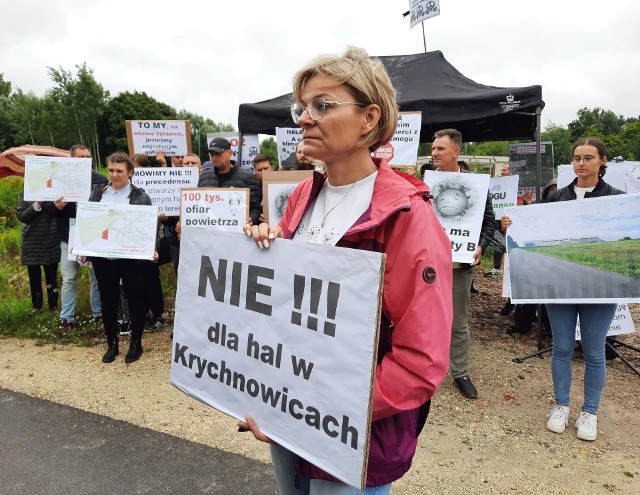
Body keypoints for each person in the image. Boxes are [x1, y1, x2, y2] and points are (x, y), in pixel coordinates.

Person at [242, 46, 452, 494]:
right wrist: (262, 250)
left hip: (354, 433)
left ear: (369, 118)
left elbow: (421, 361)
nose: (303, 118)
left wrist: (315, 406)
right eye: (302, 107)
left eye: (322, 105)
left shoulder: (408, 217)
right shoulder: (301, 197)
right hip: (290, 415)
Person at [502, 137, 623, 441]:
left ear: (602, 161)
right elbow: (533, 227)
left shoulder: (617, 198)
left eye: (589, 157)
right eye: (577, 157)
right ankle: (561, 405)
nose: (581, 163)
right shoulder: (555, 198)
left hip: (599, 287)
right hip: (560, 285)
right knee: (562, 347)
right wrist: (512, 224)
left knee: (595, 351)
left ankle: (590, 412)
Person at [431, 128, 495, 399]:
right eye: (433, 148)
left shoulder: (476, 186)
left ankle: (460, 372)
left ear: (456, 152)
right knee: (426, 320)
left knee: (458, 323)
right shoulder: (425, 183)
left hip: (459, 268)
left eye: (440, 149)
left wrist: (481, 245)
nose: (434, 153)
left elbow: (489, 222)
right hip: (430, 268)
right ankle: (426, 369)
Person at [90, 152, 153, 364]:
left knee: (135, 298)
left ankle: (136, 343)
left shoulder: (140, 197)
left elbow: (149, 226)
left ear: (130, 173)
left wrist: (149, 248)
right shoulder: (98, 194)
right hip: (104, 258)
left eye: (119, 171)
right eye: (111, 170)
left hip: (130, 258)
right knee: (108, 300)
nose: (114, 175)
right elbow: (90, 222)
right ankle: (112, 344)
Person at [46, 144, 107, 332]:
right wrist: (57, 207)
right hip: (68, 237)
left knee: (96, 278)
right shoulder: (60, 178)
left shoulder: (100, 179)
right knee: (69, 278)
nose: (85, 160)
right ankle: (67, 319)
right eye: (80, 157)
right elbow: (48, 210)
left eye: (87, 157)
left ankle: (98, 314)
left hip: (92, 237)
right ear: (71, 159)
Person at [131, 153, 165, 331]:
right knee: (136, 279)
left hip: (150, 238)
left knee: (151, 278)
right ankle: (142, 312)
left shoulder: (155, 182)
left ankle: (157, 314)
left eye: (135, 166)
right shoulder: (129, 188)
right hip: (131, 240)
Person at [197, 137, 261, 225]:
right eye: (212, 154)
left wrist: (251, 219)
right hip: (210, 232)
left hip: (236, 233)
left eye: (218, 154)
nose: (214, 157)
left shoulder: (248, 177)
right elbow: (198, 206)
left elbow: (255, 208)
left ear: (230, 153)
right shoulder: (204, 176)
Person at [17, 194, 60, 313]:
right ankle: (37, 307)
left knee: (52, 277)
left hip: (52, 240)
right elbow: (22, 216)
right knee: (34, 277)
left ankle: (53, 307)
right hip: (31, 241)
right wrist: (38, 203)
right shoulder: (25, 193)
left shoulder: (55, 191)